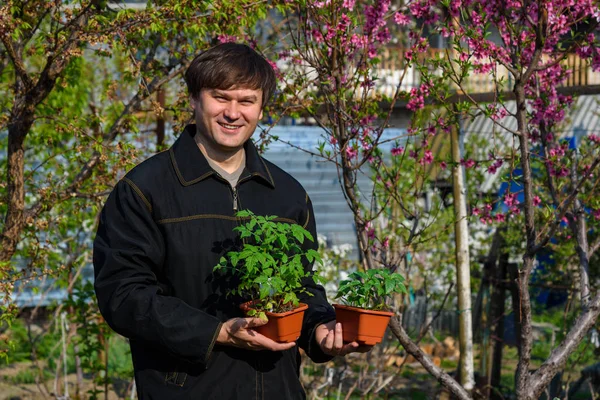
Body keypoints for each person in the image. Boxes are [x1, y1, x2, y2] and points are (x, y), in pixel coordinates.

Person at [93, 43, 370, 399]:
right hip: (187, 390)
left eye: (247, 100)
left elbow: (301, 288)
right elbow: (123, 294)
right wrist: (218, 332)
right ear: (194, 99)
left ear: (261, 107)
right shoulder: (145, 189)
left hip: (278, 390)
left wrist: (321, 330)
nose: (233, 113)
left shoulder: (286, 194)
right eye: (221, 97)